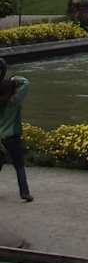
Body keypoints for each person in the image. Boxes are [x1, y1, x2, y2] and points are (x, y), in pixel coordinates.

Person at [0, 60, 34, 202]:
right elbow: (25, 82)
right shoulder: (14, 100)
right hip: (11, 135)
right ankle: (24, 193)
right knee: (19, 165)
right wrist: (13, 79)